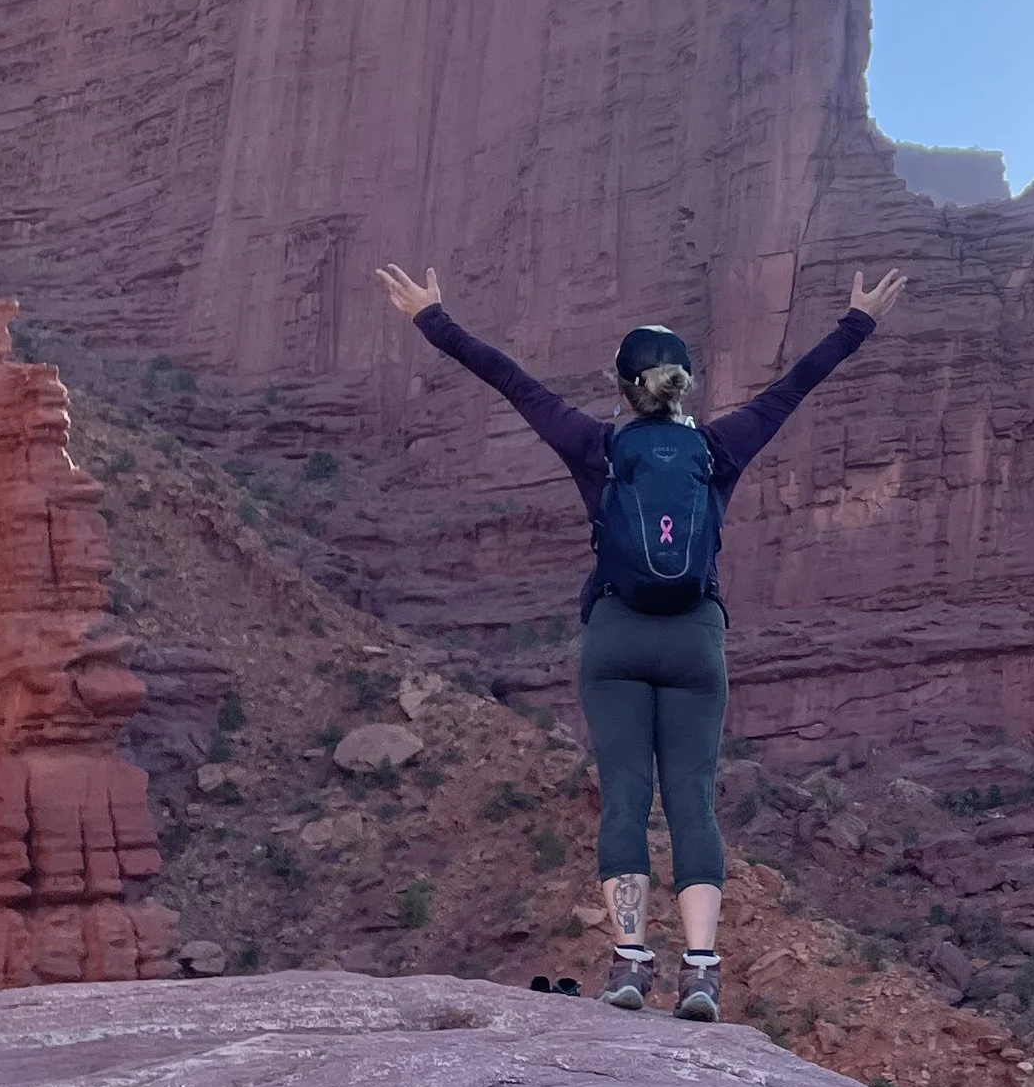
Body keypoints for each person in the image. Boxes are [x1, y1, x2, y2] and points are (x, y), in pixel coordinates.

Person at [375, 259, 909, 1018]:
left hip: (616, 636)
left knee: (624, 797)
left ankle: (628, 962)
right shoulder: (719, 448)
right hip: (695, 639)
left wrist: (433, 317)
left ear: (619, 383)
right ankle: (701, 970)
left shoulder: (598, 446)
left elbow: (511, 380)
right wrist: (858, 321)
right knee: (692, 798)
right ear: (684, 384)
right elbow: (794, 389)